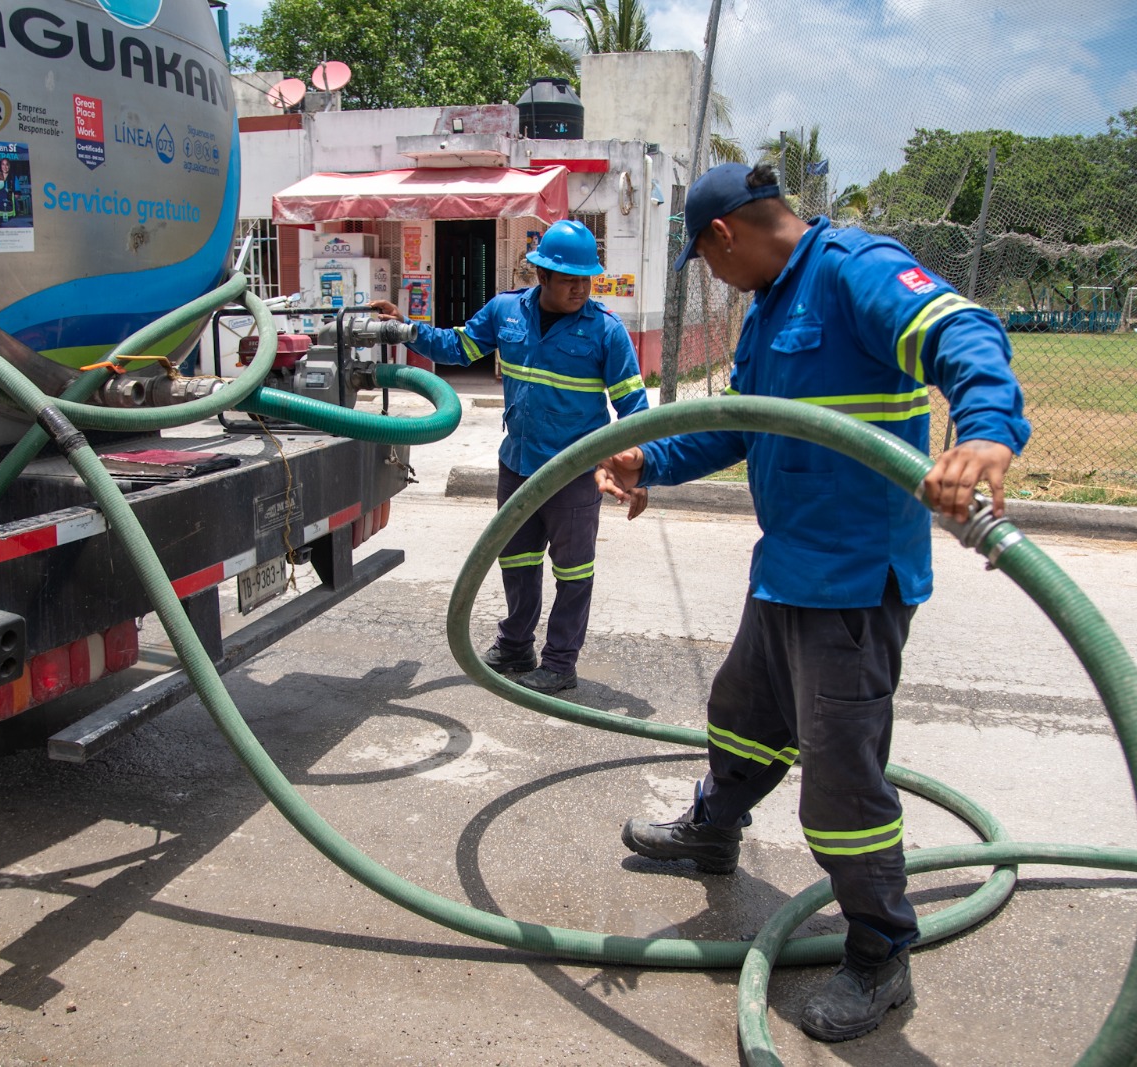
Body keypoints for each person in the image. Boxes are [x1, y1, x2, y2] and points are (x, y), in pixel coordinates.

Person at [595, 162, 1029, 1043]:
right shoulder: (769, 309)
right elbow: (741, 424)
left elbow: (964, 329)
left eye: (707, 261)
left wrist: (985, 429)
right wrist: (651, 461)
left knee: (840, 786)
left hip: (854, 584)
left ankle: (879, 952)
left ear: (724, 235)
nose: (715, 279)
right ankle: (714, 829)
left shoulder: (853, 271)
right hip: (786, 570)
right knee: (742, 715)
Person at [372, 219, 650, 694]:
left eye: (587, 280)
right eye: (569, 280)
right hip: (517, 465)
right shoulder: (506, 311)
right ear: (541, 275)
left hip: (573, 474)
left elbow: (635, 410)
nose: (580, 289)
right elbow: (459, 347)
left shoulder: (607, 331)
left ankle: (560, 664)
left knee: (573, 573)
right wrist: (407, 330)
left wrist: (641, 473)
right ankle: (517, 646)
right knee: (517, 562)